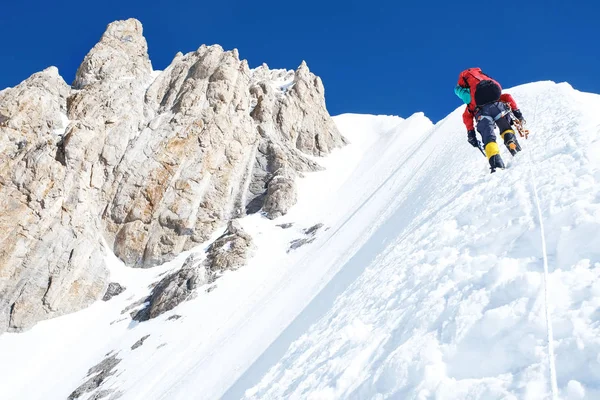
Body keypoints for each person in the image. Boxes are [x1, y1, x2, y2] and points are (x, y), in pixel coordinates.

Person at [454, 68, 526, 172]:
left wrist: (471, 134)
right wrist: (517, 113)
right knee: (505, 128)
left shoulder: (470, 97)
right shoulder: (487, 82)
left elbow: (467, 116)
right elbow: (507, 97)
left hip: (482, 114)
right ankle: (511, 142)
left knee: (488, 138)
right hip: (498, 106)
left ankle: (496, 162)